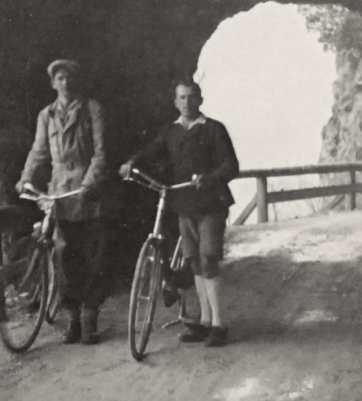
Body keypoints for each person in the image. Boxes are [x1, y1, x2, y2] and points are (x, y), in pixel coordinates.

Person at [119, 79, 239, 347]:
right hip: (184, 204)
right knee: (195, 262)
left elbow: (231, 166)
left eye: (192, 97)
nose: (187, 103)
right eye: (182, 98)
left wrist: (209, 178)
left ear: (200, 100)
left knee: (209, 260)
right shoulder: (170, 132)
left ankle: (220, 325)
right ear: (175, 102)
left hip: (210, 204)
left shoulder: (213, 129)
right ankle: (205, 321)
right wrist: (131, 163)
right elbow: (150, 153)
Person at [16, 59, 110, 345]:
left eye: (69, 77)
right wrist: (25, 178)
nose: (65, 83)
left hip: (87, 193)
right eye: (59, 78)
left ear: (75, 80)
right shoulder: (46, 115)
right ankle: (73, 318)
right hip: (59, 192)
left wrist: (89, 181)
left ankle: (90, 317)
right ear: (53, 83)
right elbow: (38, 150)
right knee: (65, 256)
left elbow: (101, 152)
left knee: (92, 255)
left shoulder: (92, 109)